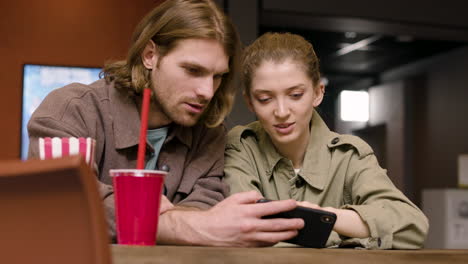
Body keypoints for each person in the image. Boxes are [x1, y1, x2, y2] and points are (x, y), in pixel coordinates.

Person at [27, 0, 304, 247]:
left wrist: (123, 210)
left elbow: (205, 208)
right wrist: (181, 224)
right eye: (193, 70)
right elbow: (68, 205)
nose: (207, 91)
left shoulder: (209, 134)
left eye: (217, 76)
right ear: (150, 55)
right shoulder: (71, 109)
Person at [223, 32, 429, 249]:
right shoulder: (240, 146)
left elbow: (412, 227)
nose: (281, 111)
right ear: (249, 102)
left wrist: (325, 217)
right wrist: (343, 237)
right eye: (265, 99)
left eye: (295, 95)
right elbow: (245, 231)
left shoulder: (349, 155)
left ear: (318, 93)